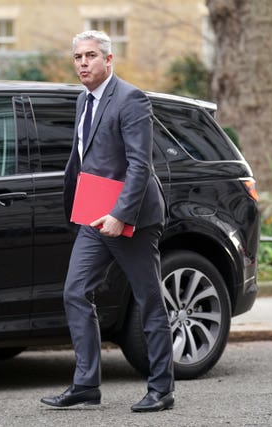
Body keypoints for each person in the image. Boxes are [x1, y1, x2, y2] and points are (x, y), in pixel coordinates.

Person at [40, 30, 174, 413]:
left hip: (131, 219)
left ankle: (161, 388)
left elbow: (138, 165)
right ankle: (86, 384)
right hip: (92, 216)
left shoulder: (131, 99)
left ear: (109, 60)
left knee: (149, 301)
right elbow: (85, 159)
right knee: (75, 292)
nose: (83, 62)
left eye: (91, 56)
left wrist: (120, 214)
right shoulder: (83, 101)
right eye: (78, 57)